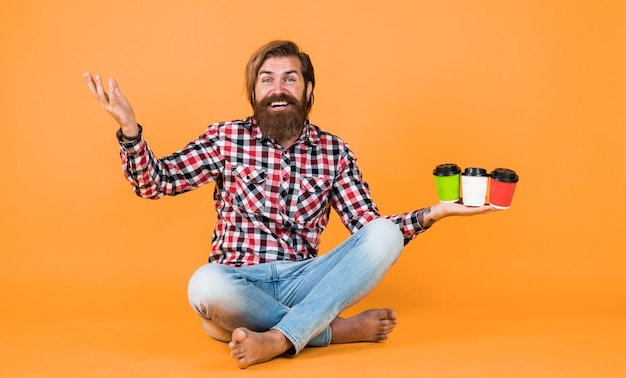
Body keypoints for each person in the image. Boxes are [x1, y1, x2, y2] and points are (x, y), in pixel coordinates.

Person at [83, 40, 498, 369]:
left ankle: (278, 339)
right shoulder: (225, 138)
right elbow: (155, 183)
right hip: (238, 285)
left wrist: (435, 213)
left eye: (289, 79)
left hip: (307, 280)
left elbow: (368, 230)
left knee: (386, 234)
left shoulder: (334, 151)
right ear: (253, 91)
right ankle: (333, 330)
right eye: (266, 79)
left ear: (308, 89)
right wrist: (129, 128)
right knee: (204, 285)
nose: (277, 88)